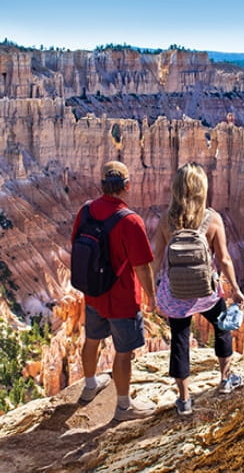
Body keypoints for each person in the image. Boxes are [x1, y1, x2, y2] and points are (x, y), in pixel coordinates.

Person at [152, 162, 244, 416]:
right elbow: (224, 259)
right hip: (207, 292)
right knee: (222, 328)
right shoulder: (213, 219)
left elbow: (157, 257)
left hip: (175, 296)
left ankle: (184, 400)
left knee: (179, 342)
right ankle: (226, 380)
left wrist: (152, 292)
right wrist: (236, 289)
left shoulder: (165, 220)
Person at [72, 160, 157, 421]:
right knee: (123, 352)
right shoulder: (131, 221)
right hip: (122, 299)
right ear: (127, 186)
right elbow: (142, 266)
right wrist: (152, 298)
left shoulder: (85, 211)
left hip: (93, 294)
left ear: (101, 185)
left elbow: (77, 246)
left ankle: (89, 387)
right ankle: (123, 407)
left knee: (92, 340)